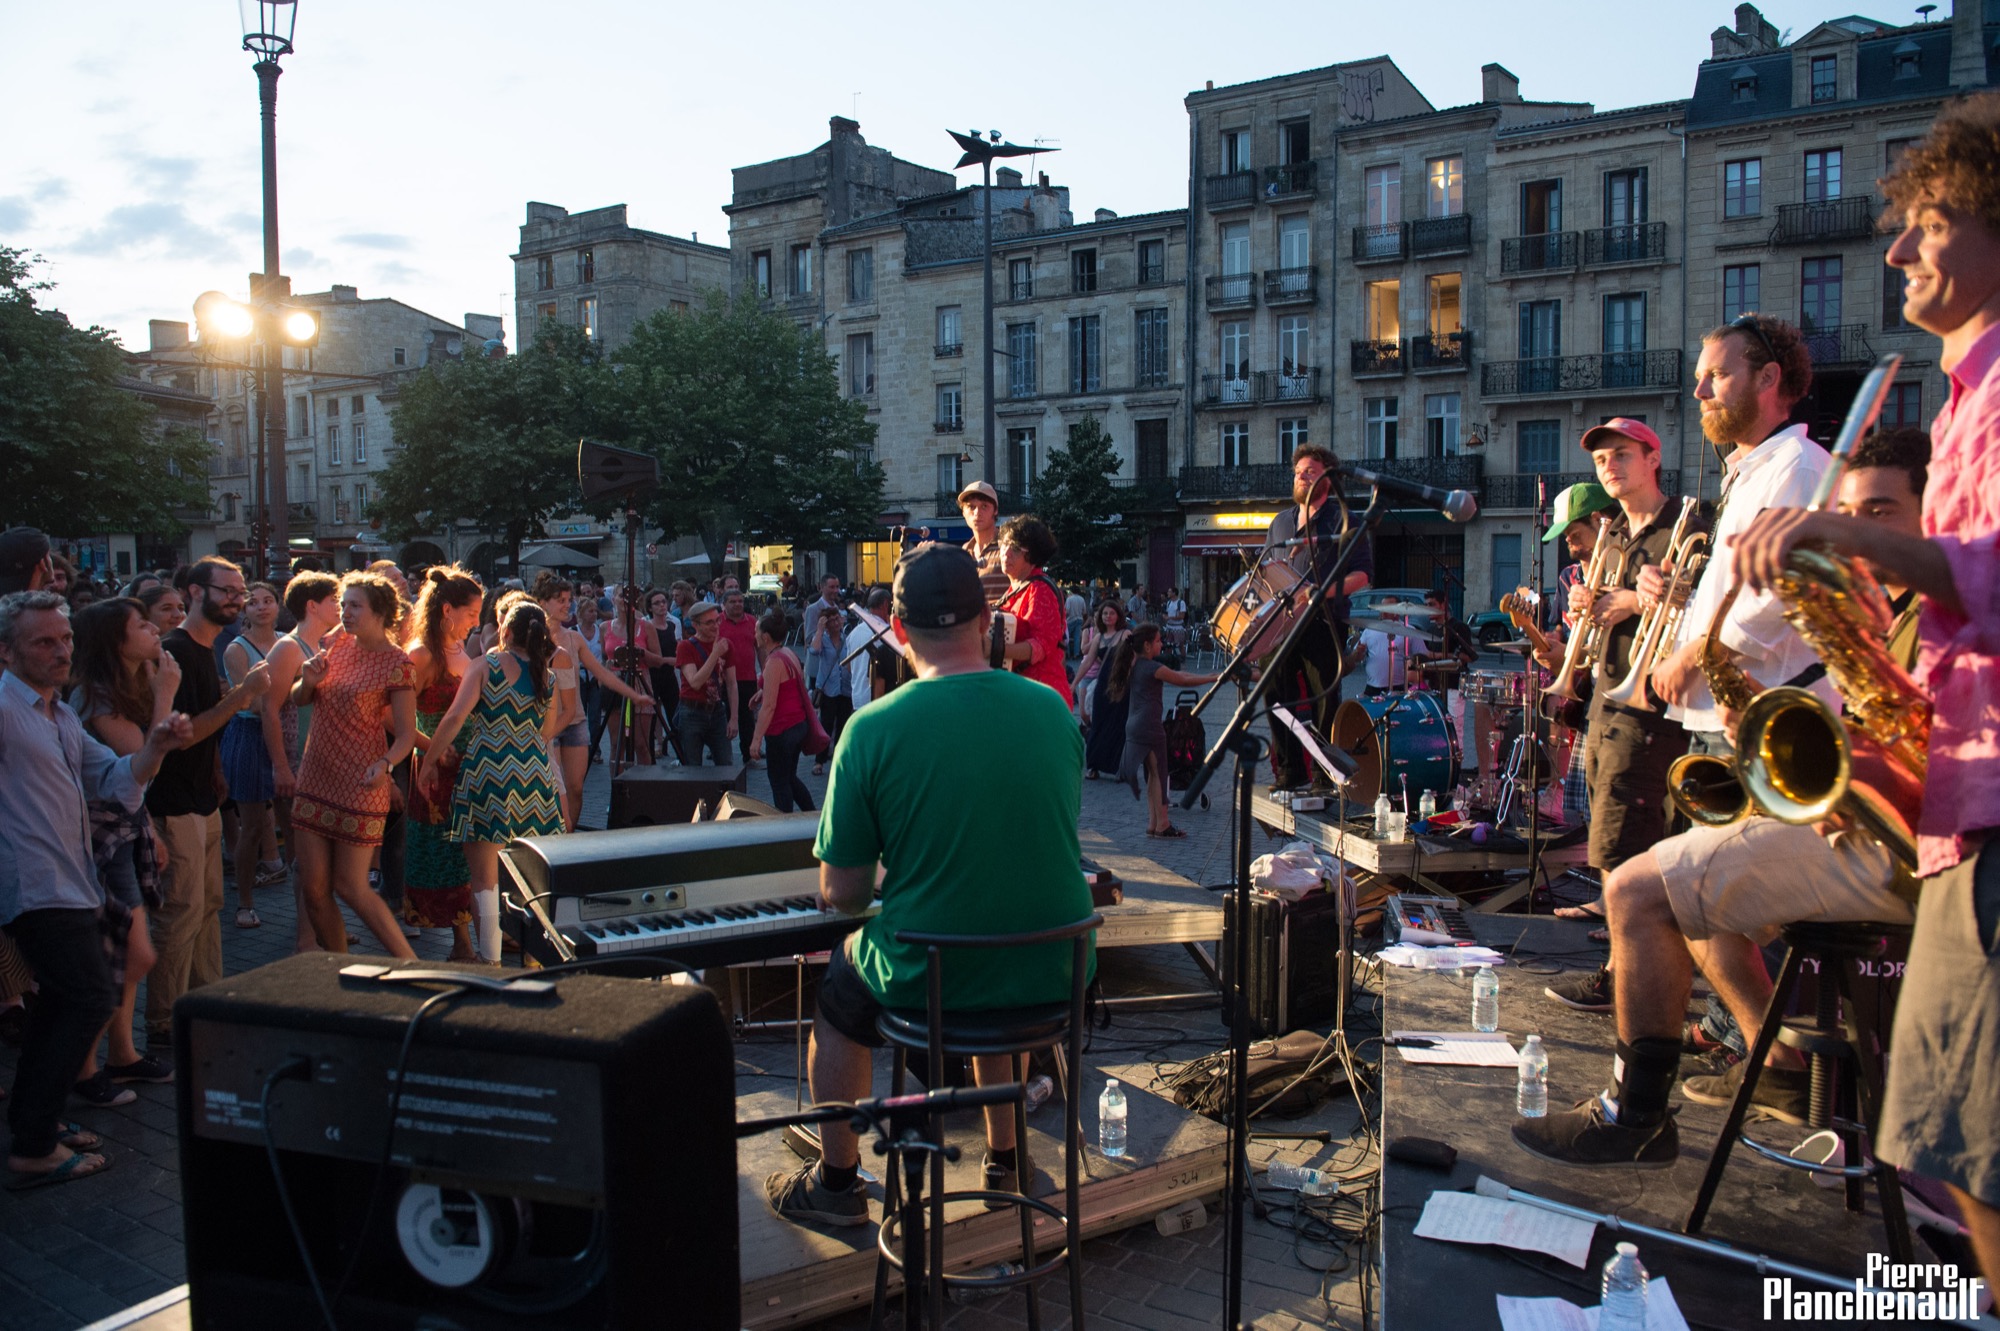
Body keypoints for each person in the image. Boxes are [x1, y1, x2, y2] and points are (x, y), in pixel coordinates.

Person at [1724, 102, 2000, 1286]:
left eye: (1925, 222)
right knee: (1952, 1143)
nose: (1894, 251)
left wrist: (1839, 536)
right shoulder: (1964, 394)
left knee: (1972, 1147)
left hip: (1988, 813)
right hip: (1954, 807)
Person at [1508, 316, 1847, 1172]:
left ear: (1769, 379)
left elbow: (1771, 601)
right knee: (1685, 904)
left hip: (1771, 742)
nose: (1698, 389)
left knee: (1643, 890)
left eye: (1715, 374)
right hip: (1721, 729)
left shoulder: (1799, 469)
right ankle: (1774, 1059)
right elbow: (1725, 596)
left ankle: (1636, 1113)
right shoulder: (1754, 472)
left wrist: (1686, 653)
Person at [765, 544, 1094, 1231]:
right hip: (1057, 967)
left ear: (899, 630)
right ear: (987, 622)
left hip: (937, 970)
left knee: (842, 988)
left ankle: (837, 1183)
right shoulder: (1052, 710)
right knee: (986, 963)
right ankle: (1006, 1160)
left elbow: (843, 894)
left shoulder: (872, 729)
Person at [0, 591, 192, 1189]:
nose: (61, 652)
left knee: (64, 1001)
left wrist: (156, 745)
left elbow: (113, 778)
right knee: (87, 996)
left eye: (65, 639)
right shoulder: (5, 709)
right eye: (43, 642)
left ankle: (35, 1122)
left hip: (71, 878)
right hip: (34, 884)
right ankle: (33, 1146)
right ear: (6, 651)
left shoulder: (57, 715)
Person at [144, 557, 269, 1059]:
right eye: (228, 591)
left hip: (202, 800)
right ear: (196, 592)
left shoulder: (205, 648)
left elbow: (204, 730)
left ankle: (206, 1002)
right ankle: (162, 1020)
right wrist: (243, 695)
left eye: (241, 591)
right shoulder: (174, 650)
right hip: (172, 803)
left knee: (209, 908)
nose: (237, 599)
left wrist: (216, 769)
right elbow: (182, 733)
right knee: (179, 915)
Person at [66, 598, 183, 1098]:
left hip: (122, 830)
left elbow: (133, 787)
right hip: (99, 840)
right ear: (116, 640)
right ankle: (82, 1067)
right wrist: (165, 696)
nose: (155, 629)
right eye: (143, 624)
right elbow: (141, 764)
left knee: (127, 955)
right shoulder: (94, 698)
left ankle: (121, 1055)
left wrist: (147, 828)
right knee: (130, 955)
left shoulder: (125, 686)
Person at [422, 599, 566, 964]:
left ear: (507, 630)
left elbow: (455, 717)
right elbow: (546, 731)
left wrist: (428, 761)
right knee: (533, 877)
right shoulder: (547, 677)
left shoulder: (486, 665)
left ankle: (491, 961)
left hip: (488, 772)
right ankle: (533, 959)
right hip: (535, 776)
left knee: (485, 879)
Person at [289, 571, 417, 959]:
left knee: (350, 885)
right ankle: (339, 964)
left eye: (355, 606)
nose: (345, 612)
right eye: (343, 605)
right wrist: (307, 682)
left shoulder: (397, 662)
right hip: (316, 774)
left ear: (380, 612)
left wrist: (386, 764)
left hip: (362, 779)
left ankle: (410, 963)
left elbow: (406, 735)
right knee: (313, 888)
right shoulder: (335, 642)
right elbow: (299, 699)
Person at [1262, 444, 1373, 790]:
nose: (1302, 477)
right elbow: (1266, 569)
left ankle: (1326, 775)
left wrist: (1322, 591)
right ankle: (1291, 769)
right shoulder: (1280, 522)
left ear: (1329, 477)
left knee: (1323, 697)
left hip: (1323, 621)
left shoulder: (1344, 521)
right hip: (1282, 622)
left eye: (1310, 471)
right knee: (1273, 691)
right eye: (1298, 472)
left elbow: (1362, 575)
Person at [402, 566, 483, 961]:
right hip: (437, 767)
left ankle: (476, 934)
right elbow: (394, 718)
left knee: (471, 853)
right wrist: (431, 747)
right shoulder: (420, 655)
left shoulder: (460, 650)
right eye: (471, 614)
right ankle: (462, 942)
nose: (476, 622)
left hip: (467, 765)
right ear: (447, 610)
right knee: (448, 853)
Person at [262, 571, 340, 953]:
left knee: (323, 858)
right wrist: (280, 766)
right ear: (313, 606)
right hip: (298, 763)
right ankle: (306, 939)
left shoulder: (323, 645)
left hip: (322, 764)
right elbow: (269, 709)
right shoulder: (288, 648)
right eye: (334, 600)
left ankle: (324, 928)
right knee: (306, 860)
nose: (339, 607)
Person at [1108, 624, 1219, 837]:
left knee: (1152, 774)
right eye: (1158, 640)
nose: (1162, 643)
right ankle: (1163, 823)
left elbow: (1179, 674)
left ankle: (1154, 823)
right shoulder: (1151, 667)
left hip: (1134, 725)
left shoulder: (1134, 665)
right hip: (1149, 725)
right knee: (1160, 774)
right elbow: (1182, 679)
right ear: (1147, 646)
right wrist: (1212, 678)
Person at [219, 581, 286, 927]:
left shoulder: (286, 641)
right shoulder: (237, 649)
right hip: (250, 735)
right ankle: (244, 902)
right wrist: (295, 696)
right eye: (254, 602)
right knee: (253, 825)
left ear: (278, 605)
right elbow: (252, 702)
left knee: (293, 823)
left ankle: (310, 912)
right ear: (245, 610)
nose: (262, 607)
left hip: (285, 732)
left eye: (268, 600)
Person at [994, 515, 1072, 707]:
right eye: (1003, 545)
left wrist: (993, 650)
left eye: (1015, 548)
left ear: (1033, 555)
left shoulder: (1039, 589)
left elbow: (1040, 646)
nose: (1006, 553)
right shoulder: (1015, 590)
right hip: (1024, 693)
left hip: (1041, 696)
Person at [746, 610, 817, 813]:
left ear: (765, 637)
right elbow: (789, 684)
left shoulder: (774, 661)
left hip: (782, 729)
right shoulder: (787, 653)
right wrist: (763, 691)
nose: (754, 635)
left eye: (756, 631)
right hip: (797, 725)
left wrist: (756, 739)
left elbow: (769, 707)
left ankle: (785, 823)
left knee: (779, 781)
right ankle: (811, 813)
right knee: (789, 777)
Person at [674, 600, 737, 766]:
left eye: (717, 620)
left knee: (725, 763)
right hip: (692, 711)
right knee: (692, 766)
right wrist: (715, 654)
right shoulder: (685, 647)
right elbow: (695, 682)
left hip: (717, 711)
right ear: (695, 625)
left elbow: (732, 684)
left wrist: (734, 718)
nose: (716, 626)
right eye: (709, 622)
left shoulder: (726, 645)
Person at [1076, 600, 1132, 777]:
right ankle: (1093, 766)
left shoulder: (1125, 635)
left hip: (1120, 685)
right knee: (1098, 724)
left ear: (1118, 616)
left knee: (1117, 725)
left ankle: (1117, 767)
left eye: (1112, 613)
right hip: (1102, 685)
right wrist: (1074, 682)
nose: (1108, 616)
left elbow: (1134, 659)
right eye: (1105, 613)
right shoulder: (1098, 637)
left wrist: (1128, 678)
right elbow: (1087, 662)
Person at [717, 588, 762, 766]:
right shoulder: (717, 622)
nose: (737, 604)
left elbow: (760, 649)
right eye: (733, 602)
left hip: (747, 677)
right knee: (722, 717)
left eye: (740, 601)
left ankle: (748, 756)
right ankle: (721, 755)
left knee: (747, 719)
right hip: (723, 679)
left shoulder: (752, 622)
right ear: (724, 604)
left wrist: (765, 672)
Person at [806, 595, 851, 775]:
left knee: (843, 725)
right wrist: (819, 629)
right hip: (828, 689)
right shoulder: (823, 640)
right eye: (831, 620)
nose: (835, 623)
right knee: (826, 725)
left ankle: (838, 759)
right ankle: (819, 761)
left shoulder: (847, 638)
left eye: (837, 619)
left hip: (846, 688)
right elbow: (814, 650)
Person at [958, 480, 1010, 607]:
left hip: (1004, 618)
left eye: (984, 506)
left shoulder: (1008, 546)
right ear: (963, 512)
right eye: (971, 507)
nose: (977, 513)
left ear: (995, 510)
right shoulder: (963, 552)